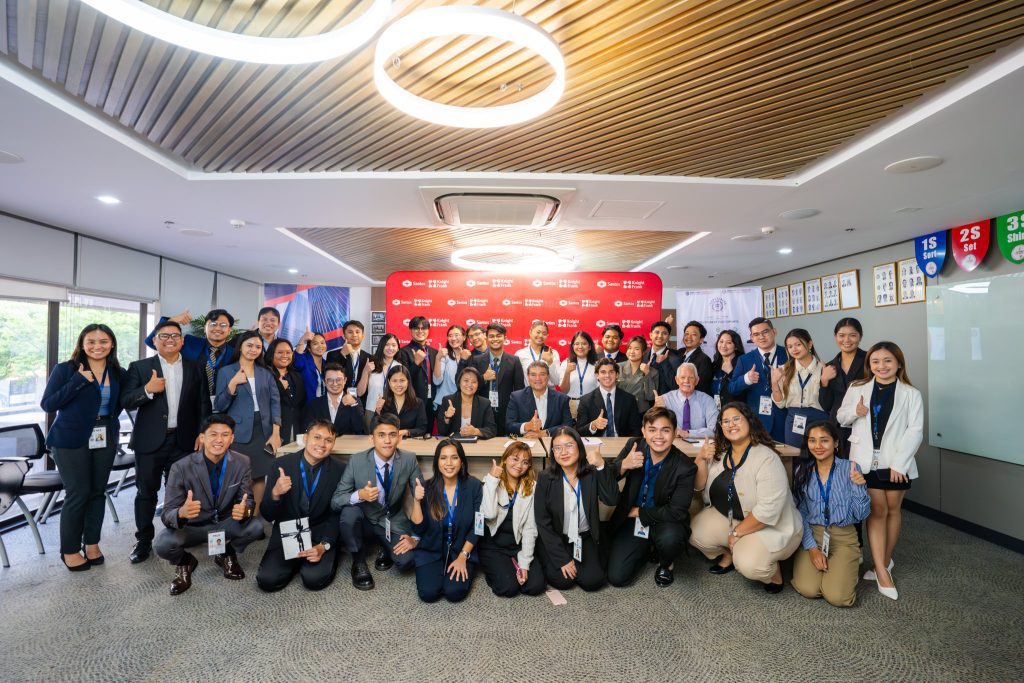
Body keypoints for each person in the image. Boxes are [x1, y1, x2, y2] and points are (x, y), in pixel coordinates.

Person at [837, 341, 923, 601]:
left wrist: (900, 464)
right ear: (869, 365)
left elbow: (915, 430)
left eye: (887, 361)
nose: (881, 366)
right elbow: (841, 417)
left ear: (898, 363)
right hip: (864, 460)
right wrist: (856, 411)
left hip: (897, 463)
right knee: (877, 510)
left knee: (894, 510)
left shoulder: (911, 393)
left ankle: (883, 561)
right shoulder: (857, 388)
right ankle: (883, 571)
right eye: (875, 361)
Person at [121, 320, 209, 564]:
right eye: (164, 336)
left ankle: (178, 535)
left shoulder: (195, 367)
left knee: (180, 491)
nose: (170, 340)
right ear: (155, 340)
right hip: (149, 441)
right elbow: (126, 400)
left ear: (182, 341)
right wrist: (147, 390)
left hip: (183, 440)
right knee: (146, 493)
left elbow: (203, 403)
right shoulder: (139, 367)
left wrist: (202, 432)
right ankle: (143, 540)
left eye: (175, 336)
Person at [690, 402, 802, 593]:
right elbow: (699, 486)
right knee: (693, 533)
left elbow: (768, 511)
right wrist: (700, 459)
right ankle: (730, 554)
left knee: (749, 565)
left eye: (736, 419)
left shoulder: (766, 458)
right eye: (725, 421)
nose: (730, 424)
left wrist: (737, 533)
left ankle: (773, 574)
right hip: (734, 517)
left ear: (749, 421)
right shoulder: (721, 454)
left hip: (769, 525)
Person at [40, 324, 126, 571]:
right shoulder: (66, 369)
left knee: (98, 492)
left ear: (112, 344)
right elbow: (48, 404)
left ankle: (91, 543)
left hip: (105, 436)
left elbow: (116, 405)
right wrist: (78, 380)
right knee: (78, 493)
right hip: (70, 439)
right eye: (91, 341)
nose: (97, 346)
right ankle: (69, 550)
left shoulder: (117, 371)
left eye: (103, 341)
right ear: (82, 343)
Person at [153, 414, 262, 595]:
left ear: (232, 438)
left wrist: (245, 511)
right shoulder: (180, 467)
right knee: (163, 544)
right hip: (193, 527)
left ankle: (226, 553)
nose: (219, 440)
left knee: (256, 526)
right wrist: (181, 512)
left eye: (225, 435)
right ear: (202, 438)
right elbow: (167, 514)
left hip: (225, 523)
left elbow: (248, 500)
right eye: (213, 434)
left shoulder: (242, 462)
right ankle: (185, 562)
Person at [605, 407, 697, 587]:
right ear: (643, 431)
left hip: (664, 520)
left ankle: (666, 563)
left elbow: (677, 512)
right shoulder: (635, 445)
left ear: (674, 432)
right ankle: (646, 547)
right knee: (617, 577)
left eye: (665, 430)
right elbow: (608, 479)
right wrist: (623, 465)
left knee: (670, 539)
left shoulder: (685, 467)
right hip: (633, 521)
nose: (659, 436)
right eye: (652, 430)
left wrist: (639, 511)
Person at [331, 413, 421, 590]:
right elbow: (335, 501)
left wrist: (415, 537)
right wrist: (360, 495)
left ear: (399, 437)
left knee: (406, 562)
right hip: (363, 519)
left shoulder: (409, 459)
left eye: (392, 435)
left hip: (392, 519)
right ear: (372, 439)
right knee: (349, 512)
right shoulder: (356, 461)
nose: (387, 441)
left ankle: (384, 546)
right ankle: (358, 561)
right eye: (381, 435)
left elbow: (421, 498)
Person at [256, 419, 345, 592]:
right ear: (305, 438)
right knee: (267, 581)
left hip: (319, 534)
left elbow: (337, 514)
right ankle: (294, 561)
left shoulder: (339, 470)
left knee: (314, 580)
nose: (322, 444)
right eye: (317, 437)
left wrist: (324, 545)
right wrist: (275, 493)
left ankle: (321, 556)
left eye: (328, 440)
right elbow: (267, 514)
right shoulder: (281, 465)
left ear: (333, 444)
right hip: (288, 533)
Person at [790, 421, 871, 607]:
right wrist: (811, 548)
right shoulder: (803, 470)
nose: (818, 446)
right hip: (813, 533)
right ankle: (833, 574)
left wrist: (859, 488)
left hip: (844, 536)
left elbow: (860, 515)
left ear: (835, 443)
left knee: (838, 597)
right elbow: (801, 513)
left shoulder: (850, 468)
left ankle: (843, 573)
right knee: (808, 589)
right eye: (812, 441)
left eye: (824, 440)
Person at [533, 427, 617, 592]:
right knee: (563, 581)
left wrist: (601, 465)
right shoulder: (545, 478)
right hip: (557, 538)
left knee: (593, 581)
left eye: (569, 446)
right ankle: (555, 558)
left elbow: (611, 499)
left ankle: (578, 561)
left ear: (579, 447)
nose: (563, 452)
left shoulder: (591, 474)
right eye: (557, 448)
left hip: (583, 537)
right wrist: (562, 559)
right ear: (553, 452)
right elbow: (542, 522)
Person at [214, 330, 282, 517]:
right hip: (239, 429)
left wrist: (276, 433)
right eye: (249, 345)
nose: (254, 350)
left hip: (264, 429)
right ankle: (238, 515)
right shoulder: (226, 372)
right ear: (241, 347)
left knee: (260, 474)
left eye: (258, 347)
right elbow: (219, 405)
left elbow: (275, 402)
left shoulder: (265, 372)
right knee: (240, 476)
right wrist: (232, 385)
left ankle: (255, 516)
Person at [409, 439, 483, 602]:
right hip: (432, 549)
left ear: (461, 461)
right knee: (428, 594)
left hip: (461, 549)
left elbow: (478, 527)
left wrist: (463, 556)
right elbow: (418, 528)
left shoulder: (475, 486)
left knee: (454, 593)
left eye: (454, 457)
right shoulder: (426, 486)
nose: (448, 463)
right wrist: (416, 501)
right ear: (437, 462)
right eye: (443, 458)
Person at [478, 442, 546, 597]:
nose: (519, 465)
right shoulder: (490, 481)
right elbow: (488, 514)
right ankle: (500, 569)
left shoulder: (531, 487)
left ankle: (513, 564)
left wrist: (524, 564)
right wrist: (493, 479)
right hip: (493, 546)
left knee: (535, 586)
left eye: (525, 462)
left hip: (517, 545)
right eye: (515, 459)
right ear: (505, 459)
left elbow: (530, 529)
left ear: (529, 466)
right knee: (508, 588)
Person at [145, 309, 238, 399]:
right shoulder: (189, 342)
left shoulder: (235, 353)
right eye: (213, 324)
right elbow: (151, 342)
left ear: (229, 330)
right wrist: (172, 320)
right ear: (205, 328)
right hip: (188, 404)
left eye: (223, 325)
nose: (217, 328)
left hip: (223, 405)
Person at [728, 317, 789, 442]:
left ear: (774, 332)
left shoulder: (789, 354)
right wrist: (746, 379)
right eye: (756, 334)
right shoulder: (744, 360)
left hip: (784, 417)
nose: (761, 337)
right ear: (751, 338)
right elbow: (732, 388)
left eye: (765, 332)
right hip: (757, 421)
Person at [818, 317, 868, 457]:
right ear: (835, 337)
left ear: (860, 336)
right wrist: (824, 380)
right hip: (837, 426)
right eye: (841, 335)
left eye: (852, 335)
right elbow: (826, 405)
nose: (846, 340)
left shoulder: (870, 361)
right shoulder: (829, 366)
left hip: (862, 422)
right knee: (841, 470)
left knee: (860, 470)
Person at [772, 329, 829, 448]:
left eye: (798, 344)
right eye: (790, 346)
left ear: (809, 344)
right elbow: (780, 404)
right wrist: (774, 383)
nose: (794, 349)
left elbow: (830, 400)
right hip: (794, 418)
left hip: (819, 418)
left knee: (820, 454)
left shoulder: (824, 368)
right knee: (795, 458)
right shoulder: (783, 370)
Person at [469, 323, 525, 436]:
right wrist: (483, 378)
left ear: (505, 338)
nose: (495, 339)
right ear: (486, 337)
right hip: (482, 412)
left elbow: (519, 390)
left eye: (498, 336)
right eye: (491, 336)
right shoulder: (476, 360)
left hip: (506, 413)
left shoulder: (514, 361)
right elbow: (469, 388)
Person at [576, 358, 642, 438]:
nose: (607, 376)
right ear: (597, 375)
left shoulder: (629, 399)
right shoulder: (586, 400)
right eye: (603, 372)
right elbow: (579, 431)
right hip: (597, 444)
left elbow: (636, 430)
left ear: (617, 375)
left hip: (622, 444)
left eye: (611, 372)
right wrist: (593, 425)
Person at [506, 361, 573, 437]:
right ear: (528, 377)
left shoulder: (561, 398)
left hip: (553, 443)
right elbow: (509, 425)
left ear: (548, 376)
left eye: (542, 374)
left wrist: (546, 433)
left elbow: (568, 425)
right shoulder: (516, 397)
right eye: (533, 375)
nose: (538, 378)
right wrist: (526, 426)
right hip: (526, 444)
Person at [654, 362, 719, 439]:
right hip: (673, 444)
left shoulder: (708, 401)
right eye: (682, 377)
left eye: (691, 377)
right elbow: (654, 427)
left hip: (699, 447)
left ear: (697, 380)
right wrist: (656, 409)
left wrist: (688, 433)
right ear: (676, 380)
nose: (686, 381)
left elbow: (714, 430)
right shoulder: (665, 399)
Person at [397, 316, 439, 429]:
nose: (420, 331)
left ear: (428, 331)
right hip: (413, 401)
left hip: (432, 400)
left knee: (428, 432)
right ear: (410, 330)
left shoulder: (434, 352)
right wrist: (416, 363)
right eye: (416, 328)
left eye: (423, 328)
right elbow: (402, 378)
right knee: (413, 434)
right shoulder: (403, 352)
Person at [357, 332, 403, 431]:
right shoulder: (371, 364)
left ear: (398, 348)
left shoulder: (400, 367)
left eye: (394, 345)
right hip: (372, 410)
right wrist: (366, 371)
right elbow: (360, 392)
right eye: (387, 344)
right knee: (370, 440)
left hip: (392, 411)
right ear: (381, 346)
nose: (390, 348)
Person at [305, 363, 366, 436]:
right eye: (330, 380)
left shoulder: (355, 401)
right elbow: (309, 430)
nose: (335, 384)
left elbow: (361, 429)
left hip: (347, 446)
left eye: (338, 380)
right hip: (323, 445)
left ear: (345, 380)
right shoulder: (315, 404)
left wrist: (353, 404)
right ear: (324, 381)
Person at [436, 366, 497, 439]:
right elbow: (442, 431)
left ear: (478, 385)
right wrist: (447, 417)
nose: (470, 384)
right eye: (466, 380)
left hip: (476, 446)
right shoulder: (448, 401)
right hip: (454, 445)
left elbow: (492, 430)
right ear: (459, 382)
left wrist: (476, 431)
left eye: (474, 382)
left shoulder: (484, 403)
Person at [265, 339, 306, 444]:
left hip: (296, 429)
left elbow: (301, 404)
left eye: (288, 352)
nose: (285, 355)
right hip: (272, 430)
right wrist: (279, 387)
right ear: (271, 354)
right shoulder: (265, 375)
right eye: (280, 352)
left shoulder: (297, 375)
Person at [374, 366, 428, 438]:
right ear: (389, 383)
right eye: (394, 381)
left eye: (402, 380)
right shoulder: (383, 402)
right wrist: (377, 410)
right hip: (388, 443)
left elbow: (422, 429)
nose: (398, 385)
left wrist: (407, 432)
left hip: (410, 444)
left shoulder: (418, 403)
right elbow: (373, 430)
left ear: (408, 382)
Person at [325, 320, 372, 403]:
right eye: (350, 332)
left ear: (363, 336)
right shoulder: (333, 355)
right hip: (338, 402)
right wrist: (342, 354)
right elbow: (330, 375)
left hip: (360, 402)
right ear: (343, 336)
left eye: (357, 332)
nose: (354, 335)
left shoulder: (369, 357)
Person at [558, 330, 599, 418]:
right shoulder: (566, 363)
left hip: (590, 406)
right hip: (570, 406)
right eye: (577, 343)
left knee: (587, 431)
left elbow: (599, 390)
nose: (580, 346)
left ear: (590, 347)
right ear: (572, 346)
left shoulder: (597, 365)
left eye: (584, 343)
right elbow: (564, 390)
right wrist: (567, 372)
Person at [514, 320, 561, 388]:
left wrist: (550, 362)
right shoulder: (520, 354)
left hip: (548, 395)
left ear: (547, 335)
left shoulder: (553, 353)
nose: (541, 336)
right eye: (538, 332)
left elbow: (556, 381)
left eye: (544, 333)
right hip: (527, 395)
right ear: (530, 332)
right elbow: (517, 381)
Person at [433, 324, 467, 417]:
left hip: (465, 402)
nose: (453, 338)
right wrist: (438, 358)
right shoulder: (444, 356)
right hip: (444, 402)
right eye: (450, 336)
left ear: (464, 337)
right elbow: (436, 381)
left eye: (456, 335)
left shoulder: (470, 356)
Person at [618, 335, 657, 414]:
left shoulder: (652, 372)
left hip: (640, 413)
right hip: (619, 410)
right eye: (630, 348)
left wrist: (647, 374)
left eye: (636, 349)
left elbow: (650, 397)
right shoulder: (617, 367)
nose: (632, 352)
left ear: (643, 352)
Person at [710, 329, 744, 410]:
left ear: (736, 346)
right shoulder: (714, 365)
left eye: (729, 343)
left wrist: (730, 373)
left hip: (736, 410)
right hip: (715, 411)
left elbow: (742, 391)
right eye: (721, 341)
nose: (723, 345)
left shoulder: (742, 364)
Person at [293, 329, 329, 403]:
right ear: (309, 348)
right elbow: (296, 362)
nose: (320, 346)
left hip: (324, 406)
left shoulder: (327, 364)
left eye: (322, 343)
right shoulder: (304, 360)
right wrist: (303, 339)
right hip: (307, 407)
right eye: (315, 343)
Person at [679, 321, 714, 395]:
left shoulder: (704, 360)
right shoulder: (679, 353)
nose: (689, 337)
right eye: (687, 334)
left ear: (701, 340)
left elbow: (701, 387)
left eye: (694, 334)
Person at [647, 321, 682, 395]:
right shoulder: (643, 354)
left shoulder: (675, 358)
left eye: (664, 333)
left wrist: (664, 363)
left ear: (668, 337)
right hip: (644, 404)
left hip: (664, 403)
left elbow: (676, 386)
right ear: (651, 335)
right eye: (657, 332)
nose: (660, 336)